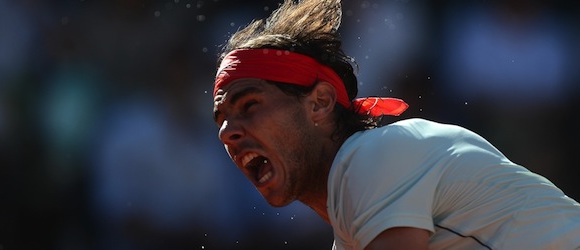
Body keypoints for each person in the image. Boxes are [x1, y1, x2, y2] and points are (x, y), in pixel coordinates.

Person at [211, 0, 580, 249]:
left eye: (250, 104)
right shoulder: (357, 215)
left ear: (320, 103)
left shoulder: (374, 155)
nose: (228, 131)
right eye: (221, 118)